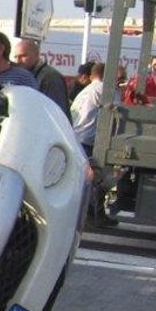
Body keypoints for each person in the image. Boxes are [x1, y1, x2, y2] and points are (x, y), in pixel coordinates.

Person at [69, 62, 115, 225]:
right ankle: (93, 214)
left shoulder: (87, 90)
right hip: (90, 139)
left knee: (89, 178)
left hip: (78, 135)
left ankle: (91, 214)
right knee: (97, 179)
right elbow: (117, 112)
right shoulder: (105, 89)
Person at [13, 38, 69, 114]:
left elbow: (55, 111)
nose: (18, 61)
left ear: (36, 55)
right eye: (16, 57)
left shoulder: (49, 77)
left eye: (23, 56)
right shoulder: (26, 75)